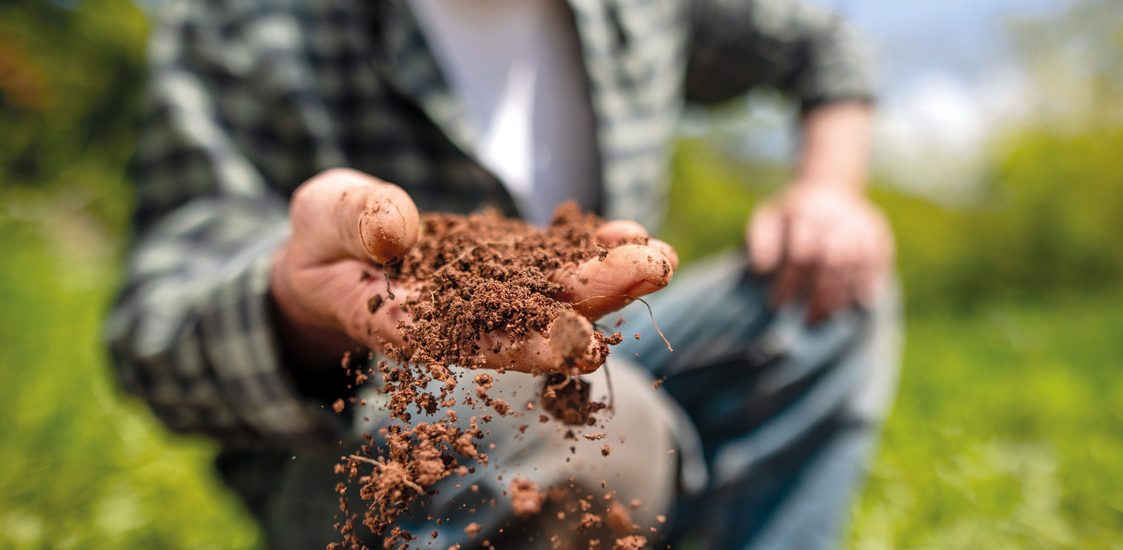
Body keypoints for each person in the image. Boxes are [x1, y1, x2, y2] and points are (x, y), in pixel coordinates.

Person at [106, 0, 900, 548]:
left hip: (609, 350)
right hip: (366, 428)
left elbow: (822, 43)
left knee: (826, 295)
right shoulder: (248, 22)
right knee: (600, 433)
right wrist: (301, 301)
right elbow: (153, 329)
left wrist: (829, 192)